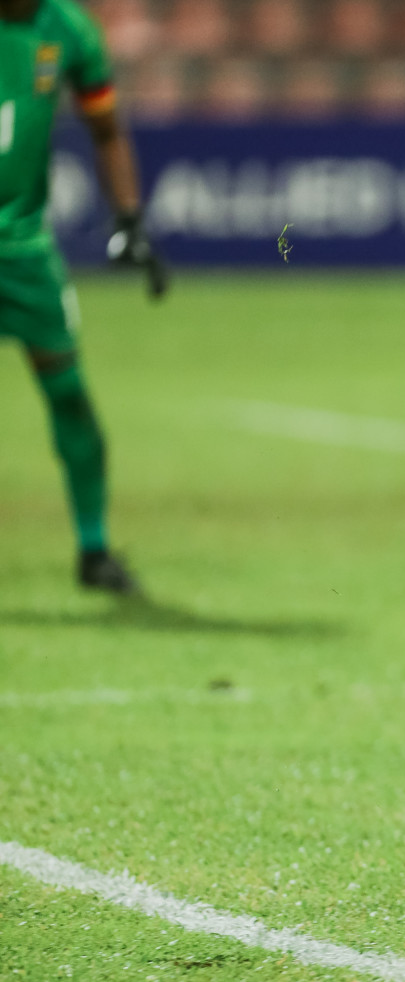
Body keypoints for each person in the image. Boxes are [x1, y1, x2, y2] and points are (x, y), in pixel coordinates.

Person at [1, 0, 168, 594]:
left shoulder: (67, 29)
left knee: (69, 395)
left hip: (22, 251)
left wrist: (129, 220)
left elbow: (105, 128)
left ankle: (93, 548)